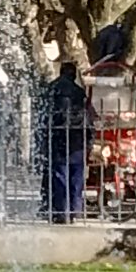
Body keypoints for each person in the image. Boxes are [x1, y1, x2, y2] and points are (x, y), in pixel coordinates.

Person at [41, 59, 92, 222]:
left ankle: (60, 212)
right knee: (76, 179)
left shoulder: (52, 89)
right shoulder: (79, 92)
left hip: (58, 139)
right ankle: (75, 211)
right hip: (77, 140)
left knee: (59, 178)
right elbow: (88, 117)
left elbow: (44, 115)